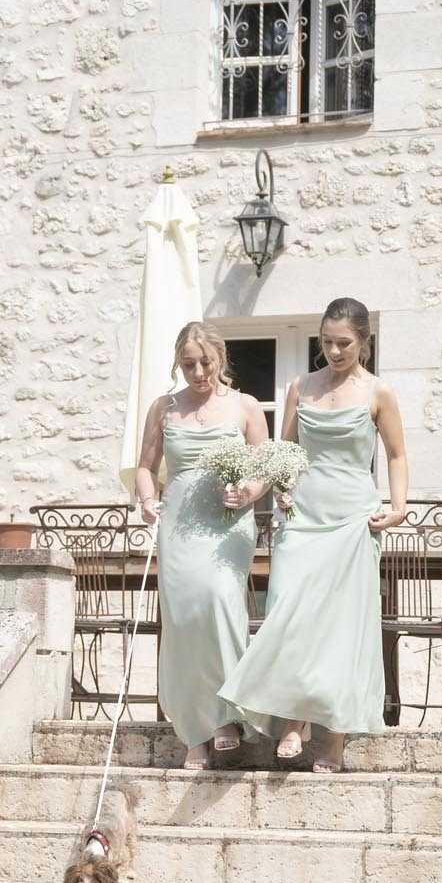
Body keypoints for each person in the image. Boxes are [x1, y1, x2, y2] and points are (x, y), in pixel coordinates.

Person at [219, 297, 408, 773]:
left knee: (340, 626)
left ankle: (334, 740)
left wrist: (399, 507)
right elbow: (283, 452)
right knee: (289, 611)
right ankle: (295, 717)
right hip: (302, 516)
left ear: (364, 341)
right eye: (326, 342)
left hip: (352, 518)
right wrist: (266, 489)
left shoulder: (379, 392)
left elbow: (396, 454)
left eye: (344, 343)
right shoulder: (300, 387)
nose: (334, 351)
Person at [134, 321, 269, 771]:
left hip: (228, 525)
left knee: (218, 603)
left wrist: (248, 492)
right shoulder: (163, 408)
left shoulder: (246, 406)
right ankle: (194, 731)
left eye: (205, 363)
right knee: (185, 621)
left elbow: (266, 467)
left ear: (221, 358)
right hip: (179, 526)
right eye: (188, 364)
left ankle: (227, 714)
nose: (198, 373)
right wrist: (148, 500)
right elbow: (145, 466)